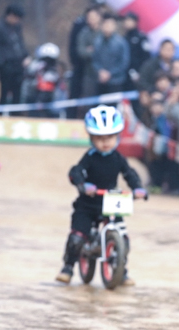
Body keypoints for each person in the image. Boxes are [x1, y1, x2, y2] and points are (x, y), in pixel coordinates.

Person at [55, 106, 147, 285]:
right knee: (77, 237)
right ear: (91, 138)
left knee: (123, 238)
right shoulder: (89, 157)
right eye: (99, 138)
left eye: (110, 138)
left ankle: (121, 270)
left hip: (112, 201)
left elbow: (129, 174)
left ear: (118, 136)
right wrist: (83, 185)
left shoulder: (118, 158)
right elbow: (76, 172)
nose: (105, 142)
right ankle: (67, 267)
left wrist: (138, 189)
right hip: (88, 204)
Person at [0, 4, 28, 107]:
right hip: (6, 66)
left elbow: (21, 43)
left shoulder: (17, 27)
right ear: (10, 15)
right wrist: (2, 63)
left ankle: (15, 116)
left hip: (18, 65)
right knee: (4, 93)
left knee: (17, 94)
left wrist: (26, 56)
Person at [92, 14, 130, 96]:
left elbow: (124, 62)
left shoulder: (121, 42)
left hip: (116, 81)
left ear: (115, 26)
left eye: (110, 24)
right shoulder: (97, 41)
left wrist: (110, 73)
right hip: (100, 80)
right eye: (105, 24)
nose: (107, 27)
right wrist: (100, 71)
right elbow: (95, 59)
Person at [122, 12, 150, 91]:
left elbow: (146, 57)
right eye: (125, 20)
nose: (126, 22)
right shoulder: (124, 38)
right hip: (125, 75)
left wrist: (140, 73)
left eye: (129, 20)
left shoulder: (141, 38)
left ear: (135, 22)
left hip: (139, 74)